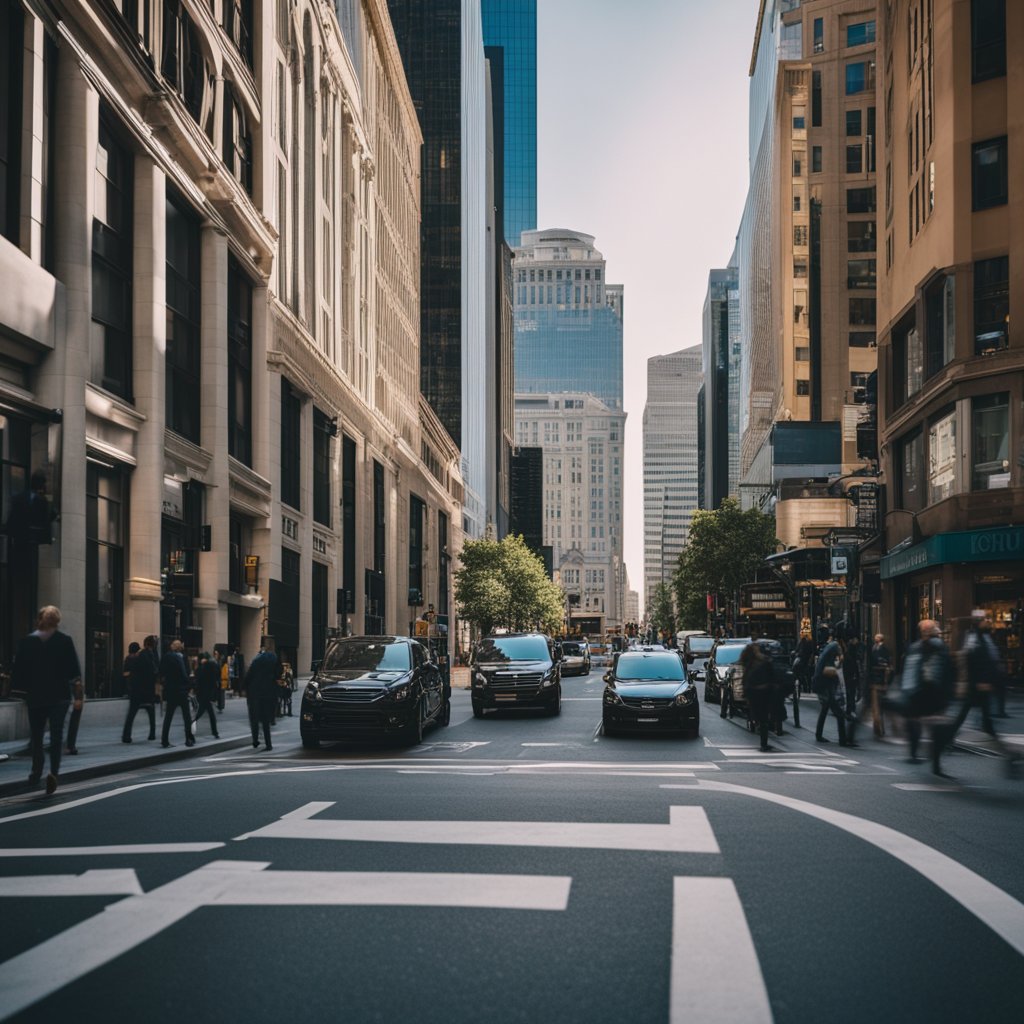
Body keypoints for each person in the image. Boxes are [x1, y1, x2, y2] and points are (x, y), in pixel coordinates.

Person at [12, 605, 83, 795]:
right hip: (59, 695)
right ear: (57, 621)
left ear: (39, 619)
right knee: (57, 734)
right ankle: (54, 772)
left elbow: (18, 671)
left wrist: (22, 690)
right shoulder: (64, 641)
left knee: (36, 735)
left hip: (36, 695)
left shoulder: (27, 642)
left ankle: (36, 771)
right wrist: (77, 695)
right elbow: (74, 671)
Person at [932, 614, 1013, 777]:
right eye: (985, 620)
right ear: (978, 623)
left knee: (984, 725)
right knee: (957, 725)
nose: (988, 622)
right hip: (975, 690)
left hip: (981, 690)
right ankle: (936, 756)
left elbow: (990, 662)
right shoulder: (975, 639)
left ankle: (1011, 758)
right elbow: (971, 662)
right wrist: (978, 682)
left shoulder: (984, 638)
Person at [897, 619, 954, 769]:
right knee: (924, 725)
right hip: (921, 692)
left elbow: (947, 671)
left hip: (927, 693)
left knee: (926, 724)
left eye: (930, 630)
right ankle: (926, 756)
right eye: (927, 631)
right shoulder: (922, 648)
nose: (928, 633)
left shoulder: (922, 647)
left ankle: (925, 756)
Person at [812, 627, 851, 746]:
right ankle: (843, 740)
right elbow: (842, 658)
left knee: (825, 709)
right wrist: (840, 663)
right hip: (825, 682)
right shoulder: (835, 645)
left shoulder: (831, 645)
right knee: (838, 712)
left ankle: (819, 735)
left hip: (822, 681)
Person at [740, 643, 777, 753]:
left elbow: (745, 681)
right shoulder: (760, 663)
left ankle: (763, 742)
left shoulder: (749, 664)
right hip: (761, 694)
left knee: (763, 720)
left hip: (754, 694)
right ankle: (764, 744)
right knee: (764, 720)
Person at [245, 640, 281, 750]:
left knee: (254, 718)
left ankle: (255, 740)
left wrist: (243, 688)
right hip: (268, 693)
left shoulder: (256, 661)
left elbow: (249, 676)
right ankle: (268, 744)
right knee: (266, 721)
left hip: (255, 692)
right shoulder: (275, 660)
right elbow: (278, 674)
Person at [122, 637, 158, 743]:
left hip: (137, 689)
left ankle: (126, 736)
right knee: (151, 713)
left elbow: (132, 672)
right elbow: (154, 671)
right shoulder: (151, 655)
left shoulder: (139, 656)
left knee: (132, 713)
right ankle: (152, 734)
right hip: (147, 689)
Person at [159, 639, 194, 748]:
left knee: (168, 716)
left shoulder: (166, 657)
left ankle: (164, 740)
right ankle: (188, 739)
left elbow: (161, 673)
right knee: (186, 716)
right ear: (180, 648)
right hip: (181, 690)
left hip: (171, 690)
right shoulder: (182, 658)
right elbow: (186, 674)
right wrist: (189, 685)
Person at [192, 651, 221, 739]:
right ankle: (214, 732)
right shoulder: (207, 666)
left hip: (202, 694)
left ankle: (214, 732)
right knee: (208, 714)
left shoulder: (199, 668)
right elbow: (215, 674)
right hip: (205, 694)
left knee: (203, 712)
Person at [868, 633, 893, 737]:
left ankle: (880, 727)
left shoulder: (883, 650)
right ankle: (877, 727)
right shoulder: (874, 648)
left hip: (880, 680)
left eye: (876, 637)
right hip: (875, 680)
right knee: (876, 706)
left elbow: (887, 663)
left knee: (879, 705)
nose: (875, 639)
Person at [793, 630, 815, 696]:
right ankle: (805, 688)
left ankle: (805, 688)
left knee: (804, 675)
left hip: (804, 661)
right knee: (804, 676)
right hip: (804, 661)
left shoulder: (807, 642)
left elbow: (811, 653)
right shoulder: (804, 642)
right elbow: (797, 650)